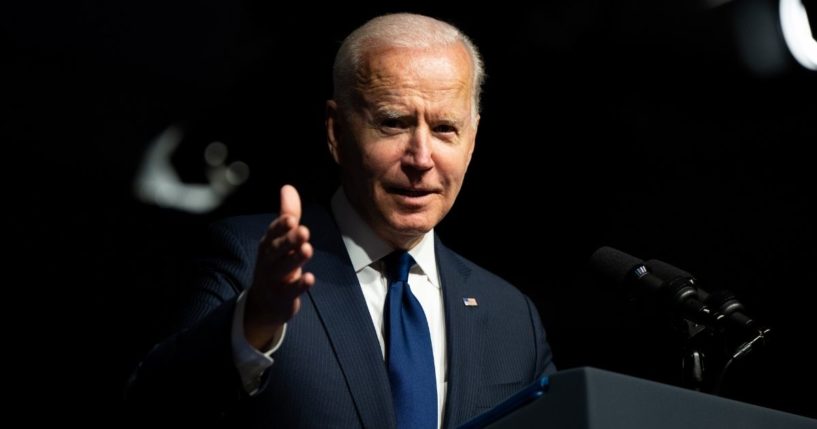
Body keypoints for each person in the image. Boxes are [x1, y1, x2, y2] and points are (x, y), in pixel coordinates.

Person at [127, 13, 556, 428]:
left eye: (445, 128)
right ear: (336, 131)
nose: (421, 159)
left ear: (472, 140)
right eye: (392, 123)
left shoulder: (511, 316)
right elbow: (154, 408)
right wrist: (254, 323)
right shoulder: (249, 261)